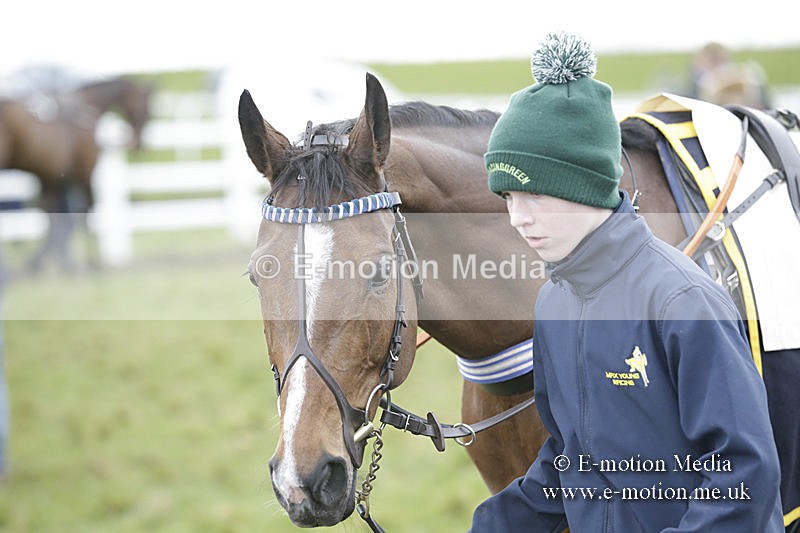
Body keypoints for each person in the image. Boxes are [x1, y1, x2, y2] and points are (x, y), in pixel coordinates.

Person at [470, 32, 783, 532]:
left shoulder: (682, 300)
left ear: (584, 183)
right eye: (507, 197)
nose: (517, 218)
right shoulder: (554, 302)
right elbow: (568, 457)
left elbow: (746, 474)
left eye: (532, 195)